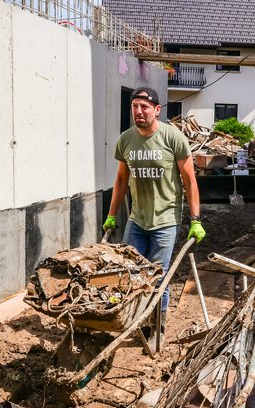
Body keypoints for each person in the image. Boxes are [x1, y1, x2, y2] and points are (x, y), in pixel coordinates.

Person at [102, 86, 205, 342]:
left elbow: (190, 180)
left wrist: (195, 219)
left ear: (157, 110)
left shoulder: (173, 138)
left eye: (144, 107)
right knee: (132, 274)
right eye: (135, 106)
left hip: (166, 220)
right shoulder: (125, 140)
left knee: (158, 278)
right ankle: (137, 319)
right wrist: (112, 215)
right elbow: (121, 179)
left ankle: (155, 326)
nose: (139, 111)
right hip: (137, 219)